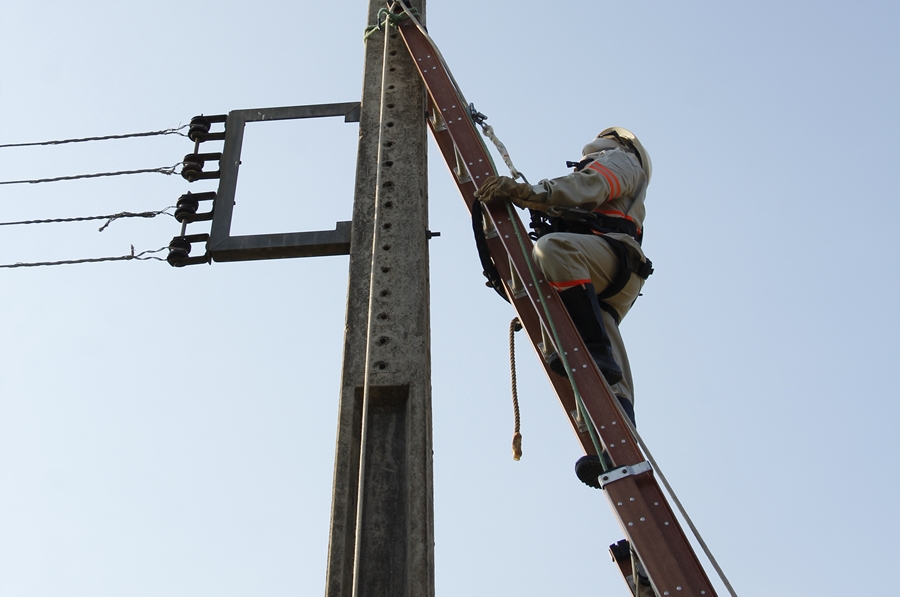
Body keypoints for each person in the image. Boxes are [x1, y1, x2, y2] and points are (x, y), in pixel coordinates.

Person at [475, 127, 652, 429]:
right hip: (599, 272)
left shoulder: (622, 158)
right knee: (603, 350)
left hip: (606, 259)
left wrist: (529, 193)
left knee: (554, 249)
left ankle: (594, 350)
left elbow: (590, 185)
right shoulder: (615, 164)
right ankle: (614, 437)